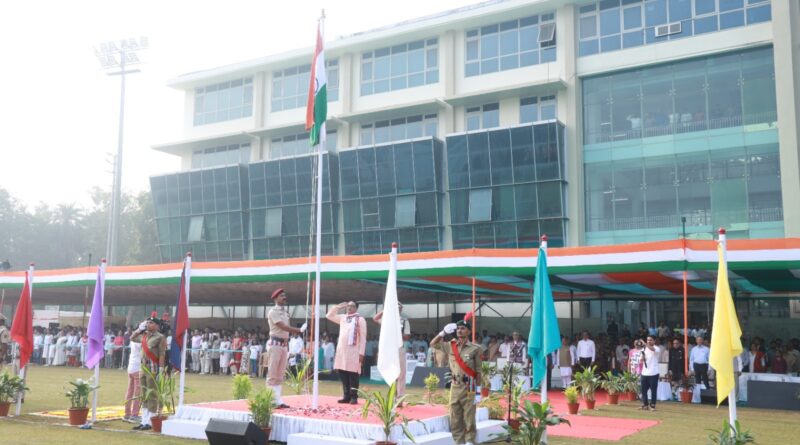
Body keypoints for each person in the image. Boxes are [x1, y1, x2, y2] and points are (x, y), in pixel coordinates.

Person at [430, 318, 481, 445]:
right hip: (455, 385)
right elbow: (433, 344)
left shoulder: (475, 348)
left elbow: (479, 371)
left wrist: (478, 390)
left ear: (469, 331)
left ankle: (470, 440)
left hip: (470, 385)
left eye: (463, 328)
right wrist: (442, 333)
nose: (459, 330)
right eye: (458, 328)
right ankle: (459, 441)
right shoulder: (450, 345)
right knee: (455, 415)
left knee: (469, 415)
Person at [267, 288, 306, 408]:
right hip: (275, 344)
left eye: (284, 295)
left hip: (284, 345)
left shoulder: (285, 312)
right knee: (273, 373)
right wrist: (299, 330)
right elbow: (283, 326)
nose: (284, 297)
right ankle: (270, 400)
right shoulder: (273, 312)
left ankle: (278, 400)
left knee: (280, 374)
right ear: (275, 298)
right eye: (281, 296)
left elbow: (286, 328)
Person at [130, 312, 167, 431]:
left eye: (151, 323)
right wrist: (139, 329)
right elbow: (132, 338)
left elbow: (162, 354)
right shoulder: (144, 335)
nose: (148, 324)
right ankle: (144, 421)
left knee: (152, 394)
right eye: (147, 322)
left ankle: (150, 421)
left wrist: (161, 369)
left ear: (156, 325)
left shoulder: (160, 337)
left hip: (153, 369)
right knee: (144, 394)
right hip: (143, 368)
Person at [326, 301, 367, 404]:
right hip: (342, 351)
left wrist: (361, 353)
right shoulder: (343, 317)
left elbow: (363, 338)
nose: (349, 308)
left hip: (354, 351)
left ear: (356, 308)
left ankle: (354, 397)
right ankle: (346, 396)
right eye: (348, 306)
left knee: (353, 374)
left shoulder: (360, 319)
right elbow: (329, 316)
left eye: (352, 306)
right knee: (343, 374)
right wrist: (337, 307)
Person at [373, 302, 411, 398]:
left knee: (401, 373)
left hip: (399, 348)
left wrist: (396, 334)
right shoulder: (387, 319)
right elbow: (375, 318)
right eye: (395, 307)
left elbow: (407, 336)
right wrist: (385, 309)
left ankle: (400, 396)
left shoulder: (404, 321)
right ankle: (393, 395)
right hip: (389, 349)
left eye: (399, 308)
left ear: (401, 309)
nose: (397, 310)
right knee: (391, 372)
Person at [123, 327, 143, 424]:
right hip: (137, 368)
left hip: (131, 367)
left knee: (129, 392)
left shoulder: (133, 340)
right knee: (137, 393)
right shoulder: (140, 341)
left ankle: (127, 414)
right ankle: (134, 414)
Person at [640, 336, 661, 411]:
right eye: (647, 340)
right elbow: (641, 360)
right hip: (644, 372)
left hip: (653, 373)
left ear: (654, 341)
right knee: (643, 390)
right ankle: (645, 404)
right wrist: (642, 358)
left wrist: (645, 344)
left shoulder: (656, 348)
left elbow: (652, 349)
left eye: (650, 340)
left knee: (653, 391)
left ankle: (652, 405)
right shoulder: (643, 349)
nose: (649, 341)